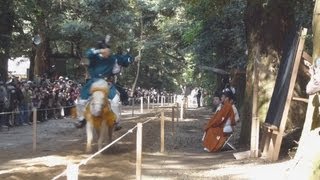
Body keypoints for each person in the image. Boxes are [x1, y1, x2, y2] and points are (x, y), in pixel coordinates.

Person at [75, 38, 140, 130]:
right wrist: (100, 50)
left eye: (108, 50)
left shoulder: (112, 58)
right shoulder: (94, 57)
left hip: (106, 83)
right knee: (81, 100)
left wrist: (133, 59)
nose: (108, 52)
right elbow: (89, 53)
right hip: (92, 82)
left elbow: (123, 59)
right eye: (106, 50)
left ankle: (115, 121)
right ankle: (81, 120)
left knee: (116, 99)